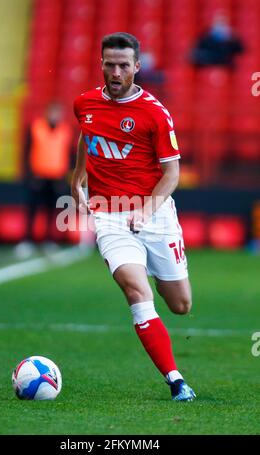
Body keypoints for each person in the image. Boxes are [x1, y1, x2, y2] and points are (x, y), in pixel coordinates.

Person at [72, 32, 196, 401]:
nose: (116, 71)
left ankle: (156, 268)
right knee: (136, 292)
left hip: (155, 215)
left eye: (123, 65)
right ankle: (176, 380)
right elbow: (86, 135)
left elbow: (172, 174)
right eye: (109, 63)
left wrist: (145, 209)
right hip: (110, 215)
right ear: (101, 64)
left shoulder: (155, 114)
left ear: (137, 67)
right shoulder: (85, 103)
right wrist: (77, 178)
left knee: (180, 305)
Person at [16, 102, 73, 258]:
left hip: (56, 177)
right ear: (46, 112)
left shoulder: (65, 130)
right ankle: (27, 240)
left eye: (58, 113)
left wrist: (66, 175)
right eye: (53, 112)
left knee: (51, 210)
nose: (55, 116)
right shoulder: (36, 127)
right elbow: (26, 150)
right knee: (32, 209)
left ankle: (49, 239)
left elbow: (69, 154)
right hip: (38, 176)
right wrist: (28, 174)